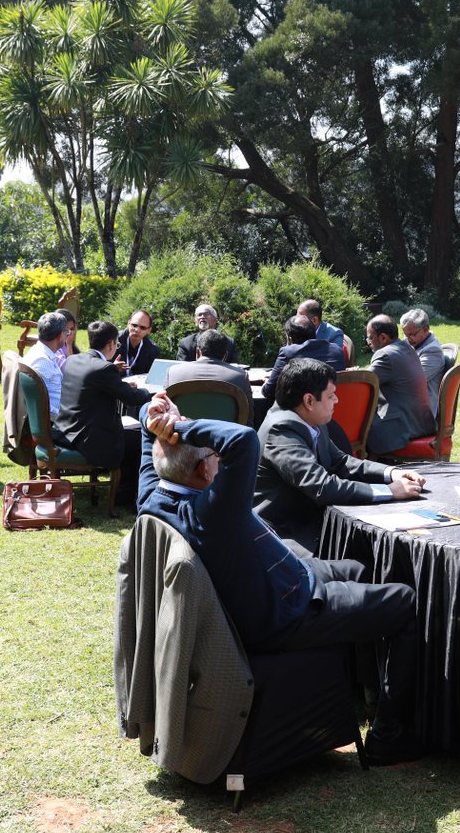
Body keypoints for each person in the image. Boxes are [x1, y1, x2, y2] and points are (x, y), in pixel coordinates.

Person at [137, 390, 422, 765]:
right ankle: (388, 736)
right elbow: (242, 440)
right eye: (213, 456)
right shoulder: (211, 513)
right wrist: (183, 427)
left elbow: (147, 435)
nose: (219, 458)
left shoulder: (154, 496)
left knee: (363, 571)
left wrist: (155, 418)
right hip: (284, 613)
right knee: (405, 601)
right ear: (203, 471)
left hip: (281, 578)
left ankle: (364, 692)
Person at [255, 358, 426, 551]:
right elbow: (321, 486)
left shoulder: (308, 419)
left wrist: (390, 473)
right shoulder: (282, 431)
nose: (336, 400)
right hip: (287, 538)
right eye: (331, 396)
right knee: (372, 558)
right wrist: (389, 491)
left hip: (316, 524)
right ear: (309, 400)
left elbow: (340, 462)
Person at [53, 320, 151, 475]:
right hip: (87, 439)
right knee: (141, 439)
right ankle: (125, 488)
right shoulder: (103, 368)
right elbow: (132, 398)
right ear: (111, 344)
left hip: (64, 431)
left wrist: (121, 385)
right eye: (117, 344)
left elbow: (95, 387)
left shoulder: (73, 359)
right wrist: (148, 392)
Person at [363, 313, 435, 454]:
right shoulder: (407, 348)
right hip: (421, 424)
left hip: (403, 429)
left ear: (383, 338)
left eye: (370, 337)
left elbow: (362, 383)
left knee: (353, 430)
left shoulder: (385, 354)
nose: (368, 342)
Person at [260, 314, 344, 398]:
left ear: (289, 339)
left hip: (302, 405)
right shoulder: (336, 350)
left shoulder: (288, 353)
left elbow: (269, 391)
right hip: (335, 404)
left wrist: (267, 381)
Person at [20, 312, 67, 419]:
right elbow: (44, 409)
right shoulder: (42, 362)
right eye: (66, 332)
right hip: (57, 422)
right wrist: (69, 417)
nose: (67, 336)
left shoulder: (39, 351)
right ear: (60, 335)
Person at [165, 329, 249, 389]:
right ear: (225, 355)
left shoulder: (173, 373)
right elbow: (248, 408)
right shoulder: (241, 377)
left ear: (198, 353)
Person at [399, 308, 446, 413]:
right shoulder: (414, 342)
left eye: (412, 334)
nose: (408, 339)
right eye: (405, 335)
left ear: (425, 330)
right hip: (408, 403)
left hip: (420, 411)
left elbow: (412, 380)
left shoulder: (432, 351)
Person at [112, 309, 161, 377]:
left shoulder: (153, 350)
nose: (137, 330)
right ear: (128, 323)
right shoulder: (112, 341)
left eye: (143, 328)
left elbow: (152, 376)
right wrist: (112, 368)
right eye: (134, 325)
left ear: (149, 330)